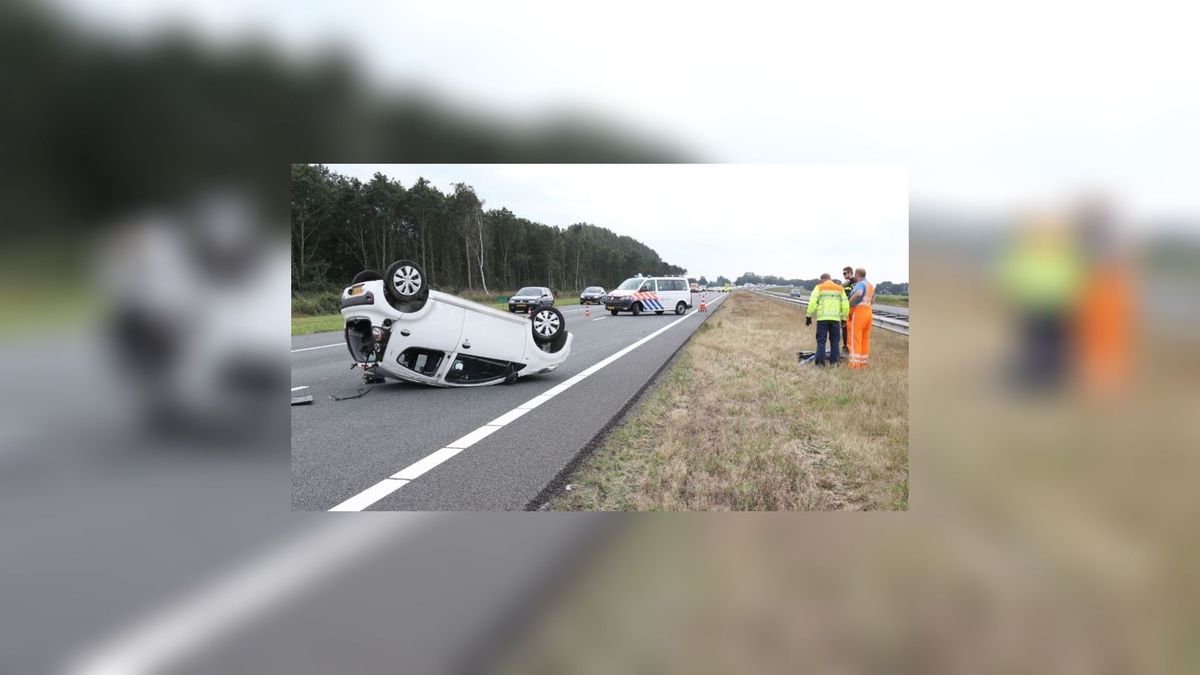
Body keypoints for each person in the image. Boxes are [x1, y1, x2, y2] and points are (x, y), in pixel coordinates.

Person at [805, 273, 850, 366]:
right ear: (830, 279)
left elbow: (812, 302)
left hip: (822, 319)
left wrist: (809, 316)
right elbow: (846, 305)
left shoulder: (819, 287)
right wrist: (844, 319)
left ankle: (820, 364)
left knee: (821, 342)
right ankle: (834, 363)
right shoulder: (840, 289)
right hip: (835, 319)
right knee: (835, 341)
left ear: (822, 280)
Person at [846, 267, 875, 369]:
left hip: (859, 313)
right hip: (868, 312)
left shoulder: (860, 284)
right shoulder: (870, 285)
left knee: (855, 338)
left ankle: (854, 364)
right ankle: (863, 363)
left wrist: (848, 304)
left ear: (857, 274)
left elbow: (858, 294)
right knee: (865, 338)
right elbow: (873, 300)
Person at [841, 266, 855, 353]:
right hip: (845, 311)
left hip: (852, 310)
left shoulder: (855, 283)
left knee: (850, 330)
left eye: (845, 273)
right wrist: (842, 286)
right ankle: (845, 346)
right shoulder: (845, 284)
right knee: (844, 329)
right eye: (843, 273)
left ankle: (850, 348)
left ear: (850, 273)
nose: (843, 275)